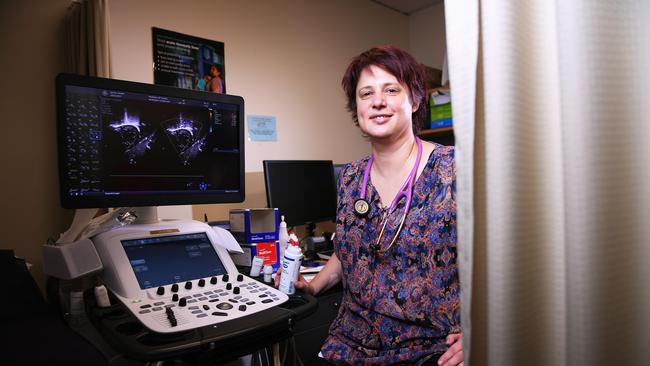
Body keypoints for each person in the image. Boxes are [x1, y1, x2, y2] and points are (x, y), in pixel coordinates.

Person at [275, 45, 462, 365]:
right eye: (366, 93)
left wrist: (480, 329)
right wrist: (313, 285)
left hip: (431, 346)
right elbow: (350, 250)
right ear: (357, 107)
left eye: (391, 89)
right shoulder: (349, 177)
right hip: (351, 342)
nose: (378, 101)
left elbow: (500, 262)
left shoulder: (454, 167)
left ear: (415, 100)